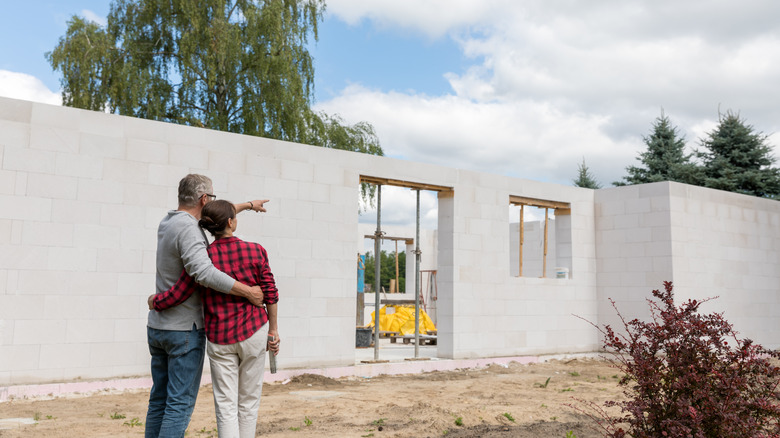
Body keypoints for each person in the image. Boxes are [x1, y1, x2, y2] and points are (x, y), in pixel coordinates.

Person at [146, 174, 270, 438]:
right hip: (183, 331)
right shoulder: (190, 230)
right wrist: (248, 291)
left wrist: (247, 205)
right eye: (212, 198)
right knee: (178, 404)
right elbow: (202, 273)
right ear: (204, 199)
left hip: (159, 327)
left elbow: (218, 217)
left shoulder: (168, 221)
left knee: (159, 401)